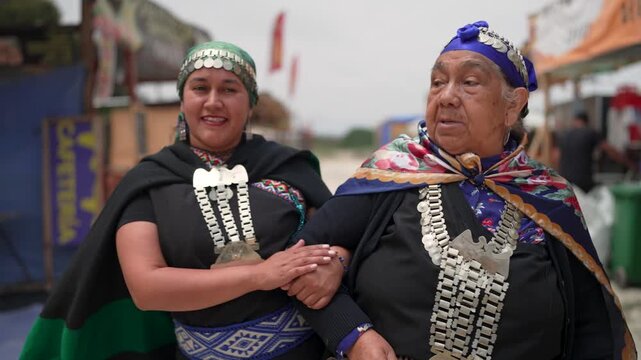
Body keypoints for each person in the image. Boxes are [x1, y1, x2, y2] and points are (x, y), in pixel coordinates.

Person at [291, 21, 637, 359]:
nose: (446, 97)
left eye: (469, 82)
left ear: (512, 105)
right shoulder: (393, 172)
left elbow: (592, 326)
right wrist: (353, 334)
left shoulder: (548, 194)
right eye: (437, 82)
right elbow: (298, 265)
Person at [21, 41, 338, 359]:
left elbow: (340, 236)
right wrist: (259, 275)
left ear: (251, 102)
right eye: (200, 88)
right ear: (183, 100)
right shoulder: (151, 180)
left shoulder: (289, 167)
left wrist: (337, 264)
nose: (213, 102)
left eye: (229, 90)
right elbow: (147, 287)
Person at [555, 110, 637, 193]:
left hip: (566, 181)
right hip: (583, 182)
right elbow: (610, 150)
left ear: (574, 120)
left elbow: (557, 157)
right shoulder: (591, 132)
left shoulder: (564, 135)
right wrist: (628, 163)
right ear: (587, 122)